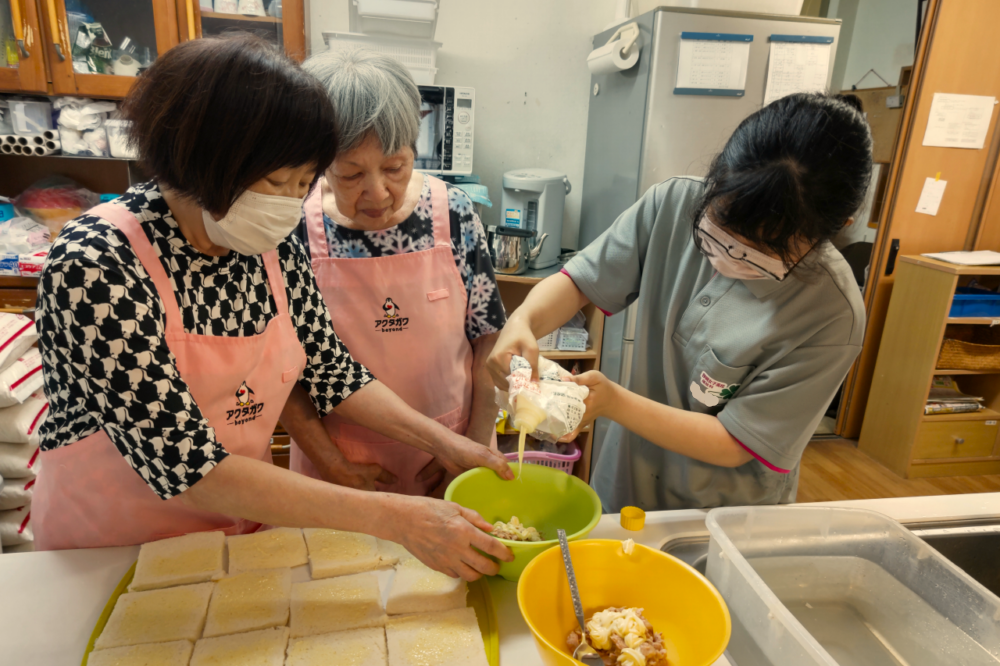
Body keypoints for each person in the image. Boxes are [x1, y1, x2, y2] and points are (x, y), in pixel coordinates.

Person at [33, 35, 513, 582]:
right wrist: (398, 518)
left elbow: (330, 370)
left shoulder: (266, 240)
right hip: (109, 551)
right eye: (277, 183)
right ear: (204, 163)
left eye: (305, 183)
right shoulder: (97, 264)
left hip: (241, 530)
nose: (291, 205)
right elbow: (187, 466)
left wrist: (451, 443)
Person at [489, 93, 871, 511]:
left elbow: (737, 442)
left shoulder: (832, 315)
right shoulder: (673, 204)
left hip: (719, 511)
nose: (726, 258)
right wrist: (523, 320)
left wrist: (613, 402)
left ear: (834, 231)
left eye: (758, 253)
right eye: (717, 232)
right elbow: (581, 281)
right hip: (626, 476)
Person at [288, 49, 506, 498]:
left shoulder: (455, 215)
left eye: (395, 167)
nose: (378, 192)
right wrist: (330, 462)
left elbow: (489, 342)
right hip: (342, 465)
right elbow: (281, 368)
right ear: (320, 164)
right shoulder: (296, 228)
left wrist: (473, 444)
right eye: (350, 175)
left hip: (453, 455)